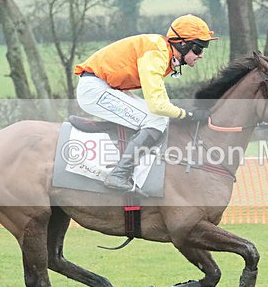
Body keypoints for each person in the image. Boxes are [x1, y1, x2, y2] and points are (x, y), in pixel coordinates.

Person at [74, 14, 216, 192]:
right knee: (156, 119)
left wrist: (181, 113)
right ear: (182, 44)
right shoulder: (157, 53)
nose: (201, 55)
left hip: (104, 87)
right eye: (198, 49)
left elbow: (160, 102)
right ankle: (119, 174)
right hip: (94, 90)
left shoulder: (162, 51)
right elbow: (158, 105)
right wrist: (187, 115)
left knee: (159, 118)